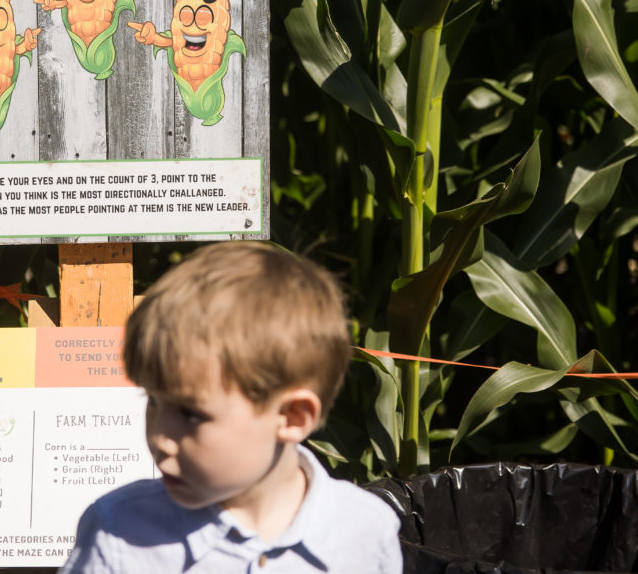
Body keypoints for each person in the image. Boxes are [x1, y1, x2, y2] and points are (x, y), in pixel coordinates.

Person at [61, 242, 403, 573]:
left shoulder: (367, 533)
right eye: (152, 401)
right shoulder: (118, 532)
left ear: (292, 417)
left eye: (191, 414)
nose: (159, 437)